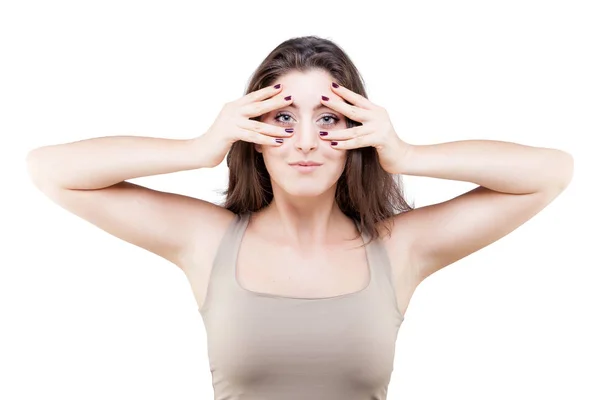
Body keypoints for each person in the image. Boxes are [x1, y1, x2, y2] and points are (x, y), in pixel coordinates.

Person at [25, 35, 574, 400]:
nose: (306, 141)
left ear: (359, 132)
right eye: (283, 118)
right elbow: (51, 169)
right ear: (253, 134)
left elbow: (550, 171)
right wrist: (199, 147)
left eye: (330, 118)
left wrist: (407, 155)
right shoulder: (209, 241)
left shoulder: (397, 248)